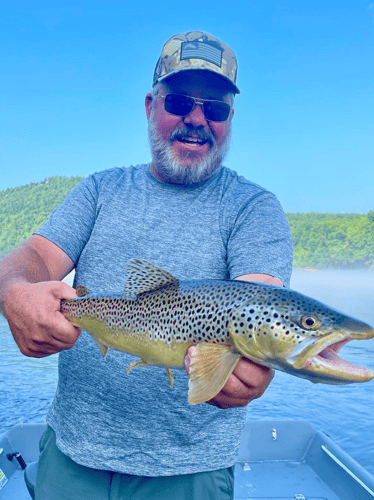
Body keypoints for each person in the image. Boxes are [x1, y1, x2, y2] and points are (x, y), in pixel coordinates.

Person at [0, 31, 293, 500]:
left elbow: (255, 297)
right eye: (179, 102)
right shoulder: (99, 190)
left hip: (190, 471)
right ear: (149, 105)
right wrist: (14, 290)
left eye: (215, 109)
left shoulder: (253, 208)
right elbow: (33, 257)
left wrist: (254, 358)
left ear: (230, 119)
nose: (196, 120)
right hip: (72, 454)